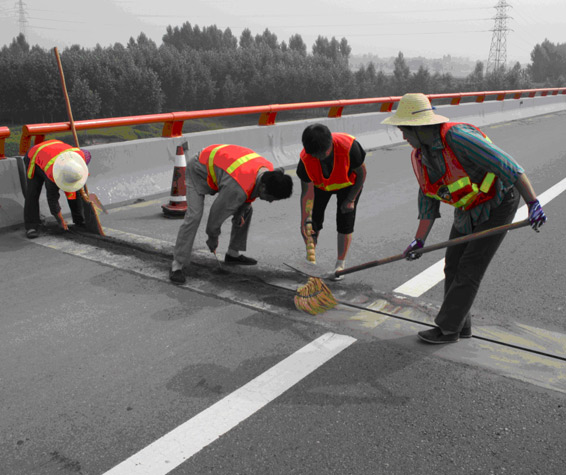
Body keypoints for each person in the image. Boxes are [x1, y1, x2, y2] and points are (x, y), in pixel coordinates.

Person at [381, 93, 547, 344]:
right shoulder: (422, 155)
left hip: (498, 202)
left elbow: (509, 165)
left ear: (419, 127)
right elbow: (428, 198)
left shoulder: (458, 138)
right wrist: (419, 241)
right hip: (468, 207)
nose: (403, 137)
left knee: (470, 266)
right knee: (453, 263)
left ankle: (448, 329)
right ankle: (460, 325)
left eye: (405, 131)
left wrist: (532, 203)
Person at [169, 143, 294, 284]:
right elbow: (215, 218)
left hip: (224, 171)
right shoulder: (237, 188)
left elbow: (250, 193)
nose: (270, 201)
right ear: (263, 187)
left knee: (247, 210)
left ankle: (233, 254)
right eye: (270, 198)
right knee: (194, 216)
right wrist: (212, 238)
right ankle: (177, 264)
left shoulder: (268, 172)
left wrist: (240, 212)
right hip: (198, 169)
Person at [297, 123, 367, 280]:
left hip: (348, 185)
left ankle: (340, 264)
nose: (318, 158)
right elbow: (307, 193)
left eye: (322, 154)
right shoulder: (306, 159)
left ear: (330, 145)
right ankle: (311, 261)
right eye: (315, 155)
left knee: (345, 221)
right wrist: (304, 220)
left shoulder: (349, 147)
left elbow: (362, 174)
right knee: (311, 223)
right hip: (320, 186)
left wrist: (351, 199)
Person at [23, 139, 91, 239]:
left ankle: (79, 220)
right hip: (35, 156)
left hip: (56, 148)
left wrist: (81, 175)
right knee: (33, 192)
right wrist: (60, 221)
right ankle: (31, 226)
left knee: (75, 189)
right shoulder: (53, 174)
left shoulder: (81, 156)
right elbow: (52, 199)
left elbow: (86, 158)